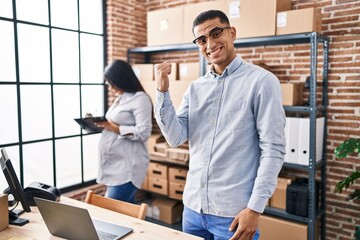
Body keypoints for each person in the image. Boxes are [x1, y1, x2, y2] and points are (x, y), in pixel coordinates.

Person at [154, 10, 286, 240]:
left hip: (233, 214)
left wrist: (254, 209)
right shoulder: (196, 88)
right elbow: (175, 138)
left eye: (216, 33)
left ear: (231, 33)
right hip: (193, 210)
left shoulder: (262, 82)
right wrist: (162, 92)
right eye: (202, 40)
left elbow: (273, 150)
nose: (210, 43)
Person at [95, 59, 152, 203]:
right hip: (115, 164)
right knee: (126, 212)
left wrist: (113, 127)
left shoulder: (141, 99)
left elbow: (144, 132)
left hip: (127, 167)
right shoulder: (121, 98)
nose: (109, 85)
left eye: (110, 81)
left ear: (121, 79)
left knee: (110, 210)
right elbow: (112, 123)